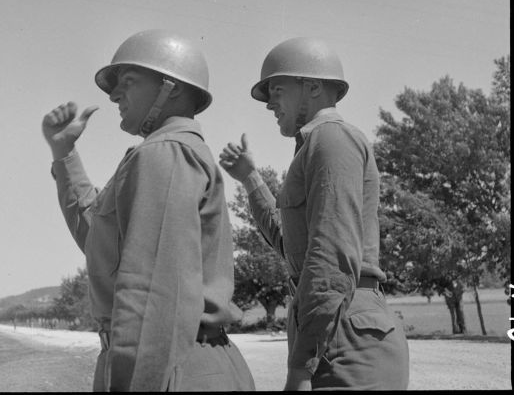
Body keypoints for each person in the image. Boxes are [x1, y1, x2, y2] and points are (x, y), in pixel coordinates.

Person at [42, 30, 255, 392]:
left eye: (128, 82)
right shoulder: (163, 153)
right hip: (177, 366)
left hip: (168, 369)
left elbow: (151, 298)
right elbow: (100, 242)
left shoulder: (164, 154)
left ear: (169, 88)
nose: (113, 95)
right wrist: (64, 155)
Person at [219, 37, 409, 391]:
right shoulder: (313, 148)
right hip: (333, 325)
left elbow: (332, 258)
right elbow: (289, 242)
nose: (270, 104)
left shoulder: (332, 139)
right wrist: (250, 178)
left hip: (346, 330)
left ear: (313, 86)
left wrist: (300, 368)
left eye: (277, 90)